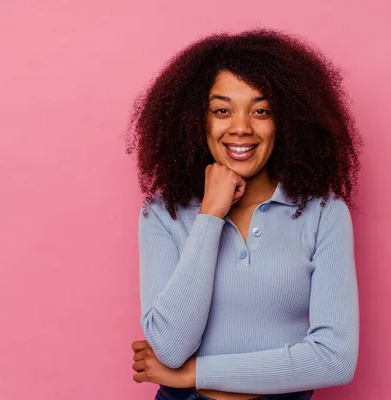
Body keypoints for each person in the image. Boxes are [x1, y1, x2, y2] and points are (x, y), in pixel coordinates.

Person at [127, 28, 361, 400]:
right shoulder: (162, 214)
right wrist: (210, 214)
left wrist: (196, 374)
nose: (240, 127)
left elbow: (335, 360)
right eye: (222, 110)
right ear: (195, 120)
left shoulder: (323, 213)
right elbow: (169, 349)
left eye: (261, 111)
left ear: (286, 120)